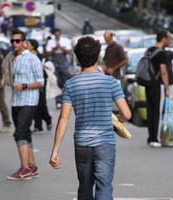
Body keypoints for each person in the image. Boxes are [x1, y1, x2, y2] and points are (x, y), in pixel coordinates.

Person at [49, 36, 131, 200]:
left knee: (85, 188)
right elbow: (127, 114)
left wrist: (55, 150)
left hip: (82, 143)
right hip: (105, 142)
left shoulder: (71, 84)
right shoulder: (110, 82)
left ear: (77, 58)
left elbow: (63, 118)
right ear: (97, 57)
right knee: (104, 187)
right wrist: (116, 120)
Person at [6, 30, 44, 180]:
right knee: (25, 133)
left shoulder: (32, 58)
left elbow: (41, 82)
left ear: (24, 42)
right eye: (12, 41)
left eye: (17, 41)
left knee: (20, 133)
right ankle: (32, 166)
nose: (14, 44)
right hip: (16, 101)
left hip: (29, 100)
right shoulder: (14, 58)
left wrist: (24, 86)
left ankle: (25, 168)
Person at [145, 30, 170, 147]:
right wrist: (167, 88)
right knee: (157, 112)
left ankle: (150, 137)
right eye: (168, 38)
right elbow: (163, 72)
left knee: (150, 111)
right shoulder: (162, 53)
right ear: (163, 38)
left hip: (147, 84)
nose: (169, 40)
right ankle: (155, 138)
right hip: (157, 85)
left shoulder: (148, 50)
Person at [26, 39, 52, 132]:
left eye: (27, 44)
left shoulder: (41, 57)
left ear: (33, 46)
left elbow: (50, 67)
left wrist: (44, 66)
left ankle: (48, 119)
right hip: (31, 82)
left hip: (41, 82)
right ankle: (38, 126)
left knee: (41, 103)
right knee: (34, 104)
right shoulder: (26, 57)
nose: (26, 45)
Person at [45, 28, 72, 109]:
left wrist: (61, 47)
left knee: (65, 83)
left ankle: (66, 101)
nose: (57, 36)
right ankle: (58, 101)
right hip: (54, 63)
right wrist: (55, 48)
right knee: (56, 82)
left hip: (63, 63)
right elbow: (48, 53)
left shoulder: (65, 40)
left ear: (60, 34)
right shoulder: (50, 42)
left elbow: (69, 51)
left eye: (58, 34)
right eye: (55, 34)